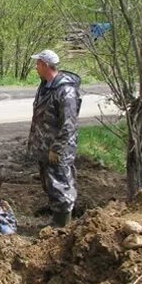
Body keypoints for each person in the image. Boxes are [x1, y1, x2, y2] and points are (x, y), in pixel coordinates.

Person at [26, 49, 82, 228]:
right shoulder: (45, 86)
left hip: (58, 150)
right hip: (45, 148)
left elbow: (69, 124)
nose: (36, 67)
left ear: (44, 65)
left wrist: (57, 149)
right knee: (50, 184)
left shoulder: (65, 91)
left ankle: (63, 227)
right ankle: (57, 221)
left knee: (62, 186)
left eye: (38, 64)